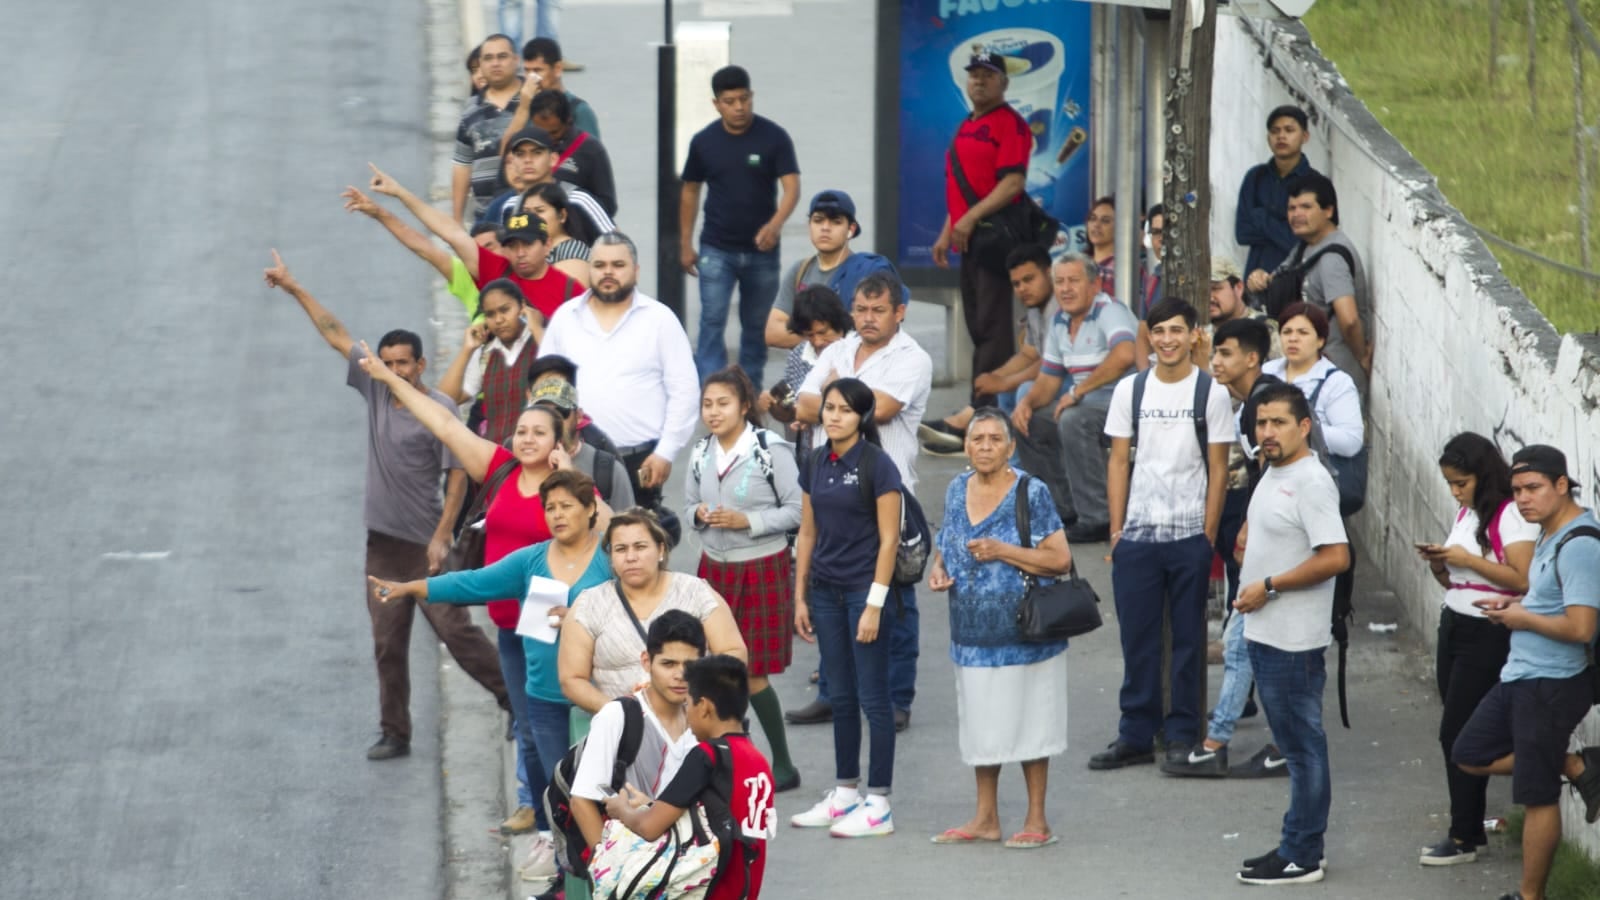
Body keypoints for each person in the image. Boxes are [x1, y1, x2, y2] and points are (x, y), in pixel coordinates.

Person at [261, 252, 508, 761]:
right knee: (387, 644)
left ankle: (513, 702)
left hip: (426, 546)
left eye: (403, 364)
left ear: (420, 365)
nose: (395, 370)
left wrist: (442, 535)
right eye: (388, 362)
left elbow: (457, 477)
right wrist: (293, 286)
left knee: (456, 634)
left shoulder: (439, 409)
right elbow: (335, 333)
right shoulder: (375, 390)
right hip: (383, 546)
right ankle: (394, 731)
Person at [355, 337, 601, 836]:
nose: (526, 439)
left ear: (560, 442)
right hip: (510, 626)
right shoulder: (500, 466)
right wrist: (385, 379)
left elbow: (613, 535)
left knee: (561, 729)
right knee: (528, 729)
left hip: (558, 625)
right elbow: (444, 424)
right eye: (521, 430)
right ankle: (540, 818)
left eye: (539, 433)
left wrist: (572, 476)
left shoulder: (573, 492)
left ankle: (570, 830)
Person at [366, 467, 608, 885]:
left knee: (598, 793)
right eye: (550, 508)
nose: (557, 515)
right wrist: (411, 588)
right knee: (563, 794)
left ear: (591, 510)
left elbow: (636, 608)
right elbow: (472, 583)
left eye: (567, 506)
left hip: (597, 699)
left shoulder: (610, 558)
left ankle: (605, 874)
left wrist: (580, 616)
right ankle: (569, 879)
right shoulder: (532, 560)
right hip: (545, 699)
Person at [1452, 444, 1600, 900]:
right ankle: (1575, 764)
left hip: (1551, 682)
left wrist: (1522, 618)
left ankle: (1530, 896)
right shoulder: (1549, 533)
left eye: (1533, 488)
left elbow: (1581, 627)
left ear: (1562, 485)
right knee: (1468, 752)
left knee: (1537, 795)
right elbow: (1548, 601)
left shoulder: (1580, 545)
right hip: (1522, 675)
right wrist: (1512, 607)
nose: (1523, 499)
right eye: (1516, 490)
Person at [1091, 298, 1233, 771]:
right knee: (1138, 640)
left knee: (1189, 641)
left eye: (1176, 330)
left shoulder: (1210, 393)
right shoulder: (1130, 390)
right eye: (1159, 331)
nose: (1168, 340)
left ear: (1194, 335)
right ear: (1148, 337)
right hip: (1137, 536)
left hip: (1190, 534)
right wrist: (1117, 531)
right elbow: (1118, 461)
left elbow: (1218, 468)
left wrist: (1207, 533)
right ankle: (1135, 734)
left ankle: (1181, 734)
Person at [790, 273, 933, 730]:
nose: (868, 319)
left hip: (884, 490)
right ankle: (833, 693)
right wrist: (844, 397)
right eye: (861, 309)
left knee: (894, 596)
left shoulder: (913, 358)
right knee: (830, 587)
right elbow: (801, 405)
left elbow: (881, 410)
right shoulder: (837, 349)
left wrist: (836, 392)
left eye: (878, 310)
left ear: (899, 312)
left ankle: (896, 698)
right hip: (829, 488)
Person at [927, 409, 1072, 849]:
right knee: (981, 726)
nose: (986, 446)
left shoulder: (1031, 491)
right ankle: (985, 818)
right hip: (971, 634)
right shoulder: (957, 488)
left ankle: (1037, 820)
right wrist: (939, 569)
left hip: (1026, 633)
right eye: (978, 439)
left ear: (1010, 448)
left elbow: (1059, 559)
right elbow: (947, 542)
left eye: (995, 439)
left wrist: (1003, 551)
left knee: (1032, 723)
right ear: (966, 446)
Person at [1232, 382, 1351, 886]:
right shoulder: (1273, 470)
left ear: (1304, 426)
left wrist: (1269, 586)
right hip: (1266, 632)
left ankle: (1302, 854)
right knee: (1294, 747)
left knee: (1302, 750)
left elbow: (1335, 557)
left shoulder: (1312, 481)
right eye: (1262, 423)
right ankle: (1296, 844)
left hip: (1293, 641)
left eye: (1279, 422)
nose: (1268, 432)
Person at [1161, 316, 1287, 780]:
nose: (1216, 361)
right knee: (1252, 644)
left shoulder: (1263, 404)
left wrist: (1251, 525)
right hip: (1270, 543)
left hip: (1275, 546)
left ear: (1252, 359)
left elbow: (1277, 471)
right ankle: (1260, 743)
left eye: (1225, 353)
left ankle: (1221, 744)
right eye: (1214, 353)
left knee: (1243, 643)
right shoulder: (1252, 400)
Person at [1412, 433, 1536, 865]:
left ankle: (1464, 834)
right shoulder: (1468, 513)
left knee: (1457, 733)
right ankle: (1470, 825)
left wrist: (1467, 560)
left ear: (1482, 476)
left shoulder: (1510, 515)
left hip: (1487, 632)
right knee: (1459, 727)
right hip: (1456, 622)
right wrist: (1441, 565)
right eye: (1449, 483)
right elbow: (1459, 581)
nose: (1454, 491)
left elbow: (1522, 578)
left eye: (1461, 483)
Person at [790, 378, 904, 837]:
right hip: (825, 591)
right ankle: (845, 793)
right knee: (839, 695)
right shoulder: (815, 460)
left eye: (845, 410)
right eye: (829, 408)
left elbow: (890, 540)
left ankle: (879, 803)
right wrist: (800, 595)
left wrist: (874, 605)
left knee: (873, 697)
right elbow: (807, 532)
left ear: (862, 416)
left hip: (864, 592)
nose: (834, 416)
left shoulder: (878, 465)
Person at [684, 367, 803, 791]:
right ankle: (734, 759)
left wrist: (747, 521)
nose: (713, 412)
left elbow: (797, 510)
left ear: (744, 406)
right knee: (714, 670)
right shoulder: (701, 451)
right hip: (713, 569)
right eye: (707, 404)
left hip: (760, 567)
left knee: (751, 674)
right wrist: (699, 514)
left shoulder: (770, 450)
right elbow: (688, 505)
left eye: (723, 403)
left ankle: (783, 765)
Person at [539, 233, 700, 540]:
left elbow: (685, 390)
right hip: (575, 458)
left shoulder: (660, 319)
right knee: (575, 543)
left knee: (634, 549)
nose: (608, 272)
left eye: (618, 265)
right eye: (600, 265)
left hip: (640, 463)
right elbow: (543, 389)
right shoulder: (565, 318)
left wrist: (666, 452)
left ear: (635, 271)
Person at [603, 655, 777, 900]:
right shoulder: (758, 760)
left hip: (711, 891)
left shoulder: (707, 756)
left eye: (688, 704)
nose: (686, 714)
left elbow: (649, 827)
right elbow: (721, 812)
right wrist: (650, 805)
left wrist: (621, 810)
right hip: (745, 891)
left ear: (704, 706)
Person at [558, 510, 748, 715]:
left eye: (640, 547)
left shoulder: (696, 593)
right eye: (620, 549)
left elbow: (733, 653)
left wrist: (697, 695)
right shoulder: (589, 604)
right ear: (611, 557)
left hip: (693, 720)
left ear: (660, 550)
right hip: (623, 724)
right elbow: (572, 679)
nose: (631, 557)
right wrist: (621, 711)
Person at [681, 64, 801, 384]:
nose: (739, 107)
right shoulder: (704, 142)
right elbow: (690, 191)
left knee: (757, 326)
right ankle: (712, 390)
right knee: (711, 321)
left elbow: (791, 187)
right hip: (716, 248)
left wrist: (775, 225)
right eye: (730, 101)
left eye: (744, 99)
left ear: (752, 96)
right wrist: (685, 243)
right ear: (716, 104)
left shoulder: (773, 137)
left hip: (762, 252)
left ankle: (749, 390)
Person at [1010, 253, 1138, 544]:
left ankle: (1097, 517)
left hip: (1123, 404)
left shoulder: (1109, 310)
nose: (1065, 289)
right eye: (1060, 282)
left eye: (1074, 281)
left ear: (1094, 285)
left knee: (1073, 418)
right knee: (1029, 422)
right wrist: (1026, 404)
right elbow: (1048, 380)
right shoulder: (1059, 321)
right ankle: (1064, 509)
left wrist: (1078, 391)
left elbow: (1125, 354)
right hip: (1087, 405)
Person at [367, 159, 584, 326]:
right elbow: (451, 233)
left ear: (547, 245)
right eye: (513, 246)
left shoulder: (571, 290)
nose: (519, 253)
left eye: (527, 245)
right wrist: (400, 193)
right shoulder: (497, 270)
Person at [933, 50, 1032, 412]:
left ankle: (986, 408)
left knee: (993, 327)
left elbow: (1013, 183)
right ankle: (979, 402)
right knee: (976, 324)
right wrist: (948, 230)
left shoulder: (1010, 124)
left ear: (1003, 83)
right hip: (969, 241)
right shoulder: (966, 124)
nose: (979, 81)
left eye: (988, 75)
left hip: (995, 240)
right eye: (974, 74)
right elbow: (963, 188)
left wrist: (970, 218)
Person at [1263, 302, 1364, 653]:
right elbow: (1243, 425)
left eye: (1303, 333)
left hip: (1313, 488)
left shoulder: (1336, 383)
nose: (1293, 339)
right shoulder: (1269, 373)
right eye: (1287, 332)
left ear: (1320, 340)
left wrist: (1301, 433)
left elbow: (1351, 440)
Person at [568, 611, 708, 862]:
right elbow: (581, 801)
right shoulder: (618, 716)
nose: (680, 675)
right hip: (634, 864)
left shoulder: (705, 722)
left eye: (690, 665)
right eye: (668, 664)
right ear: (646, 661)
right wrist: (610, 871)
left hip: (691, 864)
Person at [921, 244, 1056, 452]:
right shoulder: (1035, 310)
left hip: (1071, 381)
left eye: (1029, 279)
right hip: (1051, 377)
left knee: (1019, 389)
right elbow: (1028, 355)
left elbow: (1051, 364)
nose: (1022, 289)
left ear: (1049, 273)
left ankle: (968, 428)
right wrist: (995, 377)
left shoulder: (1059, 307)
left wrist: (1004, 382)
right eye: (1016, 284)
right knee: (1003, 391)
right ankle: (1004, 453)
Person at [1247, 173, 1372, 394]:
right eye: (1291, 208)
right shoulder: (1305, 247)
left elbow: (1350, 320)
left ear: (1329, 211)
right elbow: (1276, 282)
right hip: (1309, 373)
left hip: (1334, 377)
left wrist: (1362, 357)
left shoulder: (1332, 258)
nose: (1296, 215)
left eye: (1306, 207)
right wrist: (1258, 278)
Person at [341, 184, 507, 323]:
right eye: (478, 251)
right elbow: (423, 247)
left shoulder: (519, 275)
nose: (482, 256)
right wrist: (379, 213)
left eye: (489, 247)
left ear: (507, 248)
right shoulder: (466, 276)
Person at [764, 190, 900, 352]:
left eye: (836, 222)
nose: (825, 228)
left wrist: (809, 333)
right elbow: (772, 332)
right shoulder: (800, 270)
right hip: (806, 366)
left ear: (851, 229)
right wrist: (822, 336)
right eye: (818, 220)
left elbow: (879, 327)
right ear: (810, 225)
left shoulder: (868, 271)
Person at [434, 280, 541, 447]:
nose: (499, 320)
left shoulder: (542, 341)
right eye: (490, 314)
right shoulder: (485, 353)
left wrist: (537, 329)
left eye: (505, 310)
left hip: (535, 451)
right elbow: (444, 401)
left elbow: (563, 379)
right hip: (495, 454)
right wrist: (467, 349)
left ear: (522, 307)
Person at [497, 84, 614, 216]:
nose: (546, 138)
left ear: (568, 121)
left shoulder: (590, 150)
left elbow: (607, 203)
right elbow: (501, 189)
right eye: (539, 130)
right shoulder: (518, 145)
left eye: (554, 132)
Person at [761, 285, 850, 453]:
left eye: (823, 332)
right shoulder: (799, 354)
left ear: (839, 323)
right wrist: (776, 406)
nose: (817, 341)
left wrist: (808, 411)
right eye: (810, 335)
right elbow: (792, 412)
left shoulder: (856, 352)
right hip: (809, 455)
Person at [1235, 105, 1322, 277]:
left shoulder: (1315, 183)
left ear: (1305, 136)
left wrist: (1261, 216)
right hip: (1255, 279)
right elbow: (1242, 233)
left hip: (1295, 280)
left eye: (1289, 130)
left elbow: (1301, 243)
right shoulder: (1255, 177)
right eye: (1275, 131)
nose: (1281, 136)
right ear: (1268, 137)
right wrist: (1284, 228)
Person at [526, 377, 633, 510]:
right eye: (542, 413)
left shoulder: (608, 470)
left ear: (578, 416)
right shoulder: (518, 465)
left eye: (561, 412)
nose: (552, 421)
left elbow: (626, 522)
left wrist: (570, 474)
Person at [453, 34, 526, 222]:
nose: (495, 63)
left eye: (502, 57)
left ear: (516, 60)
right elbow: (462, 165)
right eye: (488, 58)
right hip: (485, 219)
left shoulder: (535, 97)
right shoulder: (470, 109)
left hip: (529, 213)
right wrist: (456, 220)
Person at [521, 37, 598, 138]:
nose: (531, 78)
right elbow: (508, 145)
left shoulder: (578, 111)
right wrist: (523, 109)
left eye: (538, 70)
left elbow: (591, 147)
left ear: (558, 69)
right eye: (527, 70)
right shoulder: (523, 105)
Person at [516, 181, 590, 283]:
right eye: (527, 212)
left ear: (562, 215)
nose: (531, 217)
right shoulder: (520, 251)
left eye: (540, 211)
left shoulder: (574, 251)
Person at [1082, 196, 1119, 299]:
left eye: (1105, 221)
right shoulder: (1078, 261)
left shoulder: (1123, 268)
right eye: (1092, 219)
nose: (1096, 225)